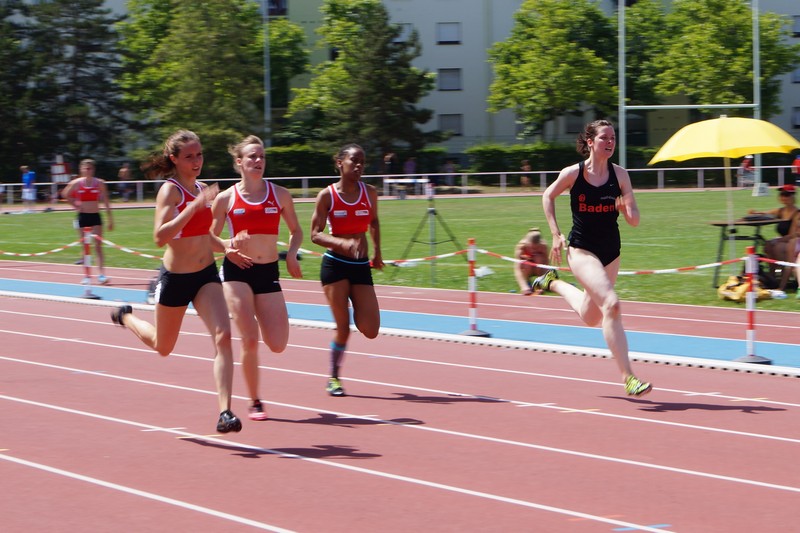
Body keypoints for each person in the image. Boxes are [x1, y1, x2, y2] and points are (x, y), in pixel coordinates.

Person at [109, 129, 242, 433]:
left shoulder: (203, 187)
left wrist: (226, 246)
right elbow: (159, 237)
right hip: (176, 278)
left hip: (206, 274)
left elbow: (203, 235)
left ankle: (225, 412)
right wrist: (195, 206)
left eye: (199, 154)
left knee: (223, 336)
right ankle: (126, 317)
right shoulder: (170, 191)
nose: (197, 161)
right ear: (174, 159)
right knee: (163, 346)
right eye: (189, 156)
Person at [536, 119, 652, 397]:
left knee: (592, 317)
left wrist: (626, 210)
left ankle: (552, 283)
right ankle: (629, 377)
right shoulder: (573, 174)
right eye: (604, 138)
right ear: (590, 142)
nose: (610, 142)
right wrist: (555, 233)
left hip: (611, 252)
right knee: (611, 305)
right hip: (581, 249)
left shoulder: (621, 175)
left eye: (613, 138)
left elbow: (635, 220)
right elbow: (547, 196)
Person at [210, 135, 303, 421]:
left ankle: (261, 319)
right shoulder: (226, 198)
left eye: (261, 156)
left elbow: (296, 231)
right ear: (239, 162)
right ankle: (254, 400)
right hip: (237, 269)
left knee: (277, 343)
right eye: (252, 156)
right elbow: (208, 237)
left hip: (268, 271)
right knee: (249, 339)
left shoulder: (280, 194)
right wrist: (227, 245)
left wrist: (291, 254)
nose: (258, 161)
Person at [310, 143, 383, 396]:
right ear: (340, 163)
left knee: (371, 329)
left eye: (363, 161)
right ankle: (334, 377)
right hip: (335, 266)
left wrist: (377, 252)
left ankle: (357, 310)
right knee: (343, 327)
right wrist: (341, 242)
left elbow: (373, 222)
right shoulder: (327, 196)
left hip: (361, 266)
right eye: (354, 161)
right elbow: (315, 234)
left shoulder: (370, 192)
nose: (360, 166)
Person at [61, 159, 114, 284]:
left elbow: (106, 201)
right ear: (81, 170)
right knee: (85, 247)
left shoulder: (99, 183)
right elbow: (65, 194)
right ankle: (87, 276)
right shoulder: (77, 183)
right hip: (83, 216)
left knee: (98, 246)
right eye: (86, 168)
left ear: (93, 170)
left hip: (95, 216)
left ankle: (101, 275)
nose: (88, 170)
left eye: (90, 168)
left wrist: (110, 219)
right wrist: (75, 205)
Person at [748, 184, 799, 291]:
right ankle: (773, 276)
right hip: (784, 241)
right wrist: (755, 213)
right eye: (782, 194)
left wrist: (778, 240)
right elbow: (766, 214)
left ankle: (781, 281)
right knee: (768, 245)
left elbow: (794, 234)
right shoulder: (780, 211)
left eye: (786, 195)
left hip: (793, 241)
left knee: (776, 246)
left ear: (793, 196)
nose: (784, 197)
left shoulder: (797, 213)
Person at [514, 227, 550, 295]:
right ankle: (528, 284)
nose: (534, 250)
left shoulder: (543, 246)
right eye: (532, 247)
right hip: (527, 269)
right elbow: (517, 268)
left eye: (537, 247)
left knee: (538, 258)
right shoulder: (522, 246)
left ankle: (538, 284)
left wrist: (543, 284)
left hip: (538, 269)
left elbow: (547, 266)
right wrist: (523, 287)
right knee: (526, 263)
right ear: (528, 243)